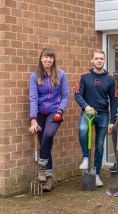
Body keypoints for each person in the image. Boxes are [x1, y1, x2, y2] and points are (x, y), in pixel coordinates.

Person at [29, 48, 70, 192]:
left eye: (51, 58)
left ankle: (41, 167)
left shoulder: (61, 75)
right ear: (41, 59)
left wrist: (60, 110)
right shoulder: (35, 76)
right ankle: (49, 178)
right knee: (45, 144)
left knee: (48, 135)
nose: (48, 60)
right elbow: (33, 98)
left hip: (54, 112)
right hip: (40, 112)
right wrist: (33, 119)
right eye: (46, 57)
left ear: (54, 60)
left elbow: (65, 95)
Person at [75, 49, 117, 187]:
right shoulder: (84, 77)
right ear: (92, 60)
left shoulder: (110, 78)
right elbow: (78, 95)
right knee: (82, 130)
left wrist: (112, 121)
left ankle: (97, 174)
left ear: (104, 61)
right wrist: (86, 107)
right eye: (96, 58)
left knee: (99, 145)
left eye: (101, 58)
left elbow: (114, 100)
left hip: (103, 115)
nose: (99, 60)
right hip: (88, 113)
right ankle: (86, 158)